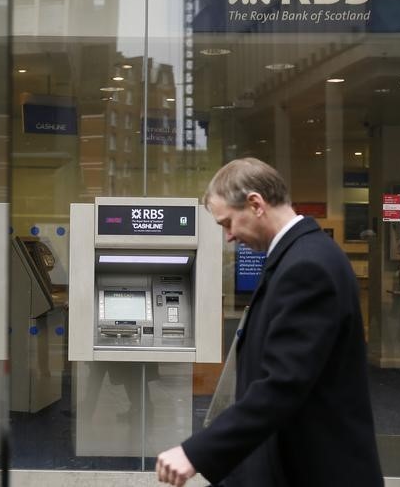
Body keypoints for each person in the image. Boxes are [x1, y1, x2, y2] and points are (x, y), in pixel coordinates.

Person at [156, 157, 382, 487]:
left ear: (255, 203)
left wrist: (196, 452)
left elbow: (283, 383)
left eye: (227, 223)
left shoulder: (307, 267)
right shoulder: (299, 256)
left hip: (317, 470)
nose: (229, 236)